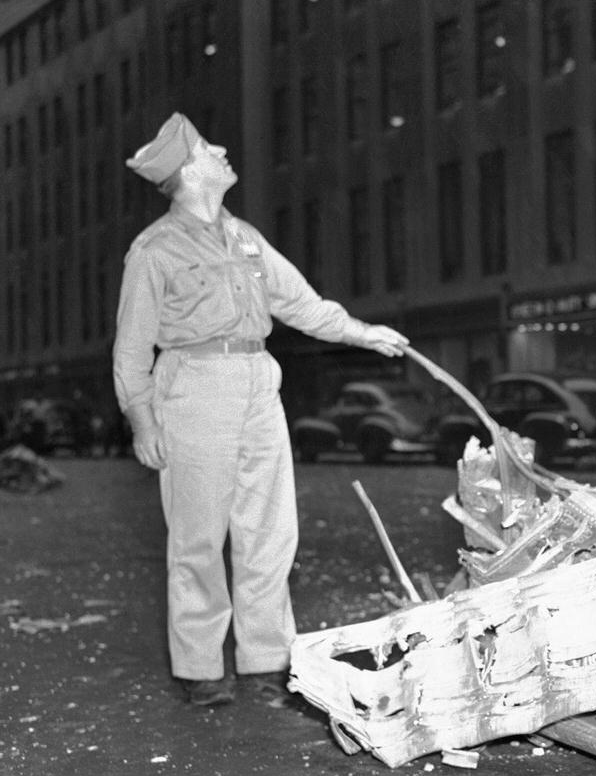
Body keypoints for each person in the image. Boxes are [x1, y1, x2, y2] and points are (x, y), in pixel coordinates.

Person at [114, 113, 408, 708]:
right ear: (187, 172)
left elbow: (302, 304)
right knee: (198, 535)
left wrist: (363, 332)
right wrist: (142, 419)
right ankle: (200, 668)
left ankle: (267, 658)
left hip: (257, 380)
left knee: (271, 530)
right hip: (194, 384)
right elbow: (130, 345)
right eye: (207, 148)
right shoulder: (153, 249)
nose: (222, 149)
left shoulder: (245, 237)